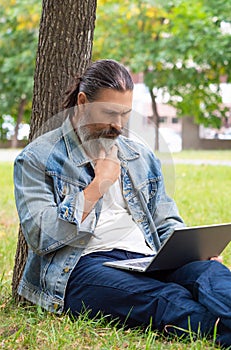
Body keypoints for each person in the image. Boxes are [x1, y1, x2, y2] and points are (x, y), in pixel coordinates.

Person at [14, 59, 231, 347]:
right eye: (109, 113)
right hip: (83, 267)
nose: (118, 125)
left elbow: (164, 219)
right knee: (168, 299)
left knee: (211, 275)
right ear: (82, 103)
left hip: (146, 258)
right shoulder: (37, 159)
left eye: (125, 115)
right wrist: (97, 186)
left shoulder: (139, 155)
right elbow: (41, 236)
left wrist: (192, 252)